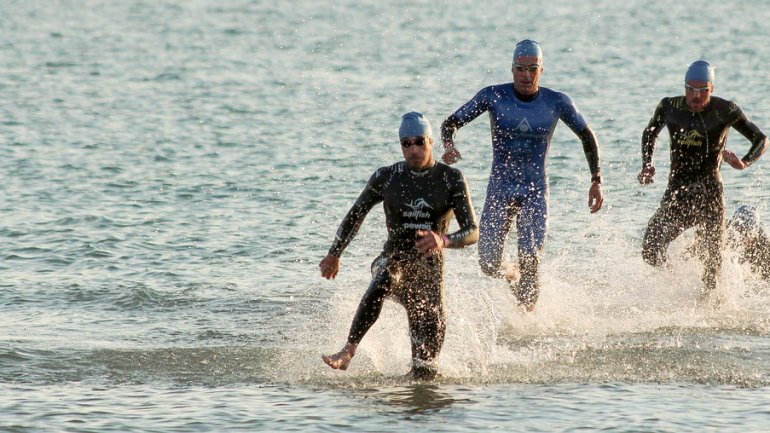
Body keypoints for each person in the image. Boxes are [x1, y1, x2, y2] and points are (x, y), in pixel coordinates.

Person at [440, 39, 603, 312]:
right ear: (512, 69)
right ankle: (510, 274)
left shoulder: (557, 102)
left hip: (535, 190)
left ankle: (527, 321)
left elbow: (587, 136)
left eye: (533, 69)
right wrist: (449, 145)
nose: (526, 75)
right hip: (500, 188)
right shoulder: (493, 96)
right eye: (520, 68)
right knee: (488, 264)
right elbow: (451, 122)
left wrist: (596, 180)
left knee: (531, 260)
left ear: (542, 70)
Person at [320, 112, 479, 380]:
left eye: (419, 142)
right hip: (393, 258)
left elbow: (473, 231)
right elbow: (355, 215)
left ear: (431, 142)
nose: (413, 150)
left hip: (429, 274)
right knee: (385, 277)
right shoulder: (387, 176)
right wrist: (334, 254)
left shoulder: (451, 178)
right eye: (406, 144)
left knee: (424, 374)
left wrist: (443, 240)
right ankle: (348, 350)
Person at [638, 60, 769, 299]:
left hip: (710, 195)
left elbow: (760, 139)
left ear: (712, 89)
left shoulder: (725, 110)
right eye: (690, 89)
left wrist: (744, 162)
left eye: (703, 90)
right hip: (678, 193)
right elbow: (650, 132)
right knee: (650, 247)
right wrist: (647, 164)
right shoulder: (669, 107)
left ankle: (714, 303)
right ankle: (678, 285)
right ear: (685, 87)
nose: (696, 96)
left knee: (712, 273)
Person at [726, 205, 770, 280]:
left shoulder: (764, 242)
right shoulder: (731, 234)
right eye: (740, 231)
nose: (742, 237)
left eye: (745, 233)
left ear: (754, 232)